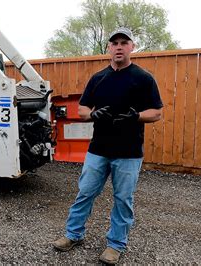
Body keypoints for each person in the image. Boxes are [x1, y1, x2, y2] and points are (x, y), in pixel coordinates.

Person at [52, 27, 163, 264]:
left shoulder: (143, 79)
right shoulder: (98, 78)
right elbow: (81, 109)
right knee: (85, 193)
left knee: (123, 199)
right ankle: (74, 234)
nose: (119, 46)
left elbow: (157, 113)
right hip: (98, 150)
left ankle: (116, 244)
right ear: (109, 49)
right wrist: (93, 114)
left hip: (129, 153)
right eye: (115, 43)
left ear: (132, 47)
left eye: (124, 42)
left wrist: (136, 117)